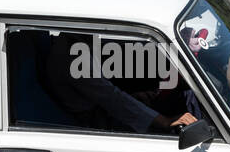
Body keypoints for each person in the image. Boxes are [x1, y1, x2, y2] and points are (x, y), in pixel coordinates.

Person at [43, 32, 196, 134]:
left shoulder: (78, 39)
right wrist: (163, 121)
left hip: (99, 104)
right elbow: (112, 99)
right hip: (95, 119)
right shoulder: (73, 58)